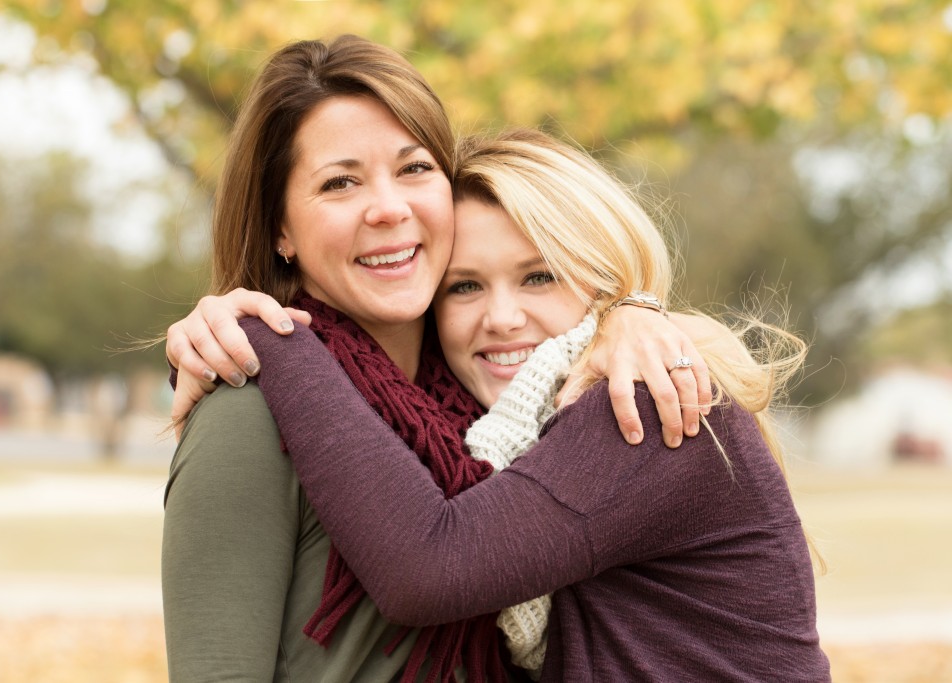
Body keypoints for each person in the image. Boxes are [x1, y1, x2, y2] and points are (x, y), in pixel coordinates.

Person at [161, 35, 711, 682]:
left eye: (415, 168)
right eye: (340, 182)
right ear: (279, 227)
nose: (390, 208)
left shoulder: (495, 398)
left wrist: (630, 311)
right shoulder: (248, 411)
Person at [213, 129, 831, 681]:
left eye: (539, 276)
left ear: (607, 281)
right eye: (465, 286)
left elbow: (429, 571)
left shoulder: (644, 401)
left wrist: (272, 331)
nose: (502, 319)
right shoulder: (504, 427)